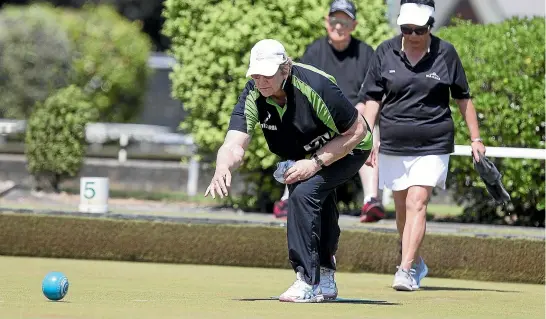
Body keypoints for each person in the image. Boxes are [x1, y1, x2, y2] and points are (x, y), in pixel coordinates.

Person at [204, 39, 372, 302]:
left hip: (350, 146)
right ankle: (325, 274)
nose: (261, 81)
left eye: (267, 74)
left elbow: (357, 130)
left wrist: (315, 163)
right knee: (315, 194)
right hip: (305, 153)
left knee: (304, 191)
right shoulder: (253, 94)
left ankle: (306, 281)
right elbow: (235, 143)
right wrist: (222, 165)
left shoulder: (315, 85)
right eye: (256, 74)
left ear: (285, 69)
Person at [357, 0, 486, 291]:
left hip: (434, 142)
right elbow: (372, 100)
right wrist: (367, 139)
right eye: (407, 29)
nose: (413, 35)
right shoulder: (385, 52)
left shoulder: (447, 53)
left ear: (430, 26)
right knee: (402, 210)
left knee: (418, 201)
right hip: (393, 143)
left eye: (419, 29)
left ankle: (404, 269)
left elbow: (463, 98)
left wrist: (475, 139)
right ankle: (415, 261)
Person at [273, 0, 385, 223]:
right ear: (327, 22)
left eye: (344, 22)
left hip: (353, 117)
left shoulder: (365, 53)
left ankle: (371, 200)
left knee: (368, 131)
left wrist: (358, 116)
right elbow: (299, 90)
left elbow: (371, 94)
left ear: (354, 25)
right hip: (318, 117)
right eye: (334, 20)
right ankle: (288, 196)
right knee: (294, 129)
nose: (338, 26)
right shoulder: (314, 51)